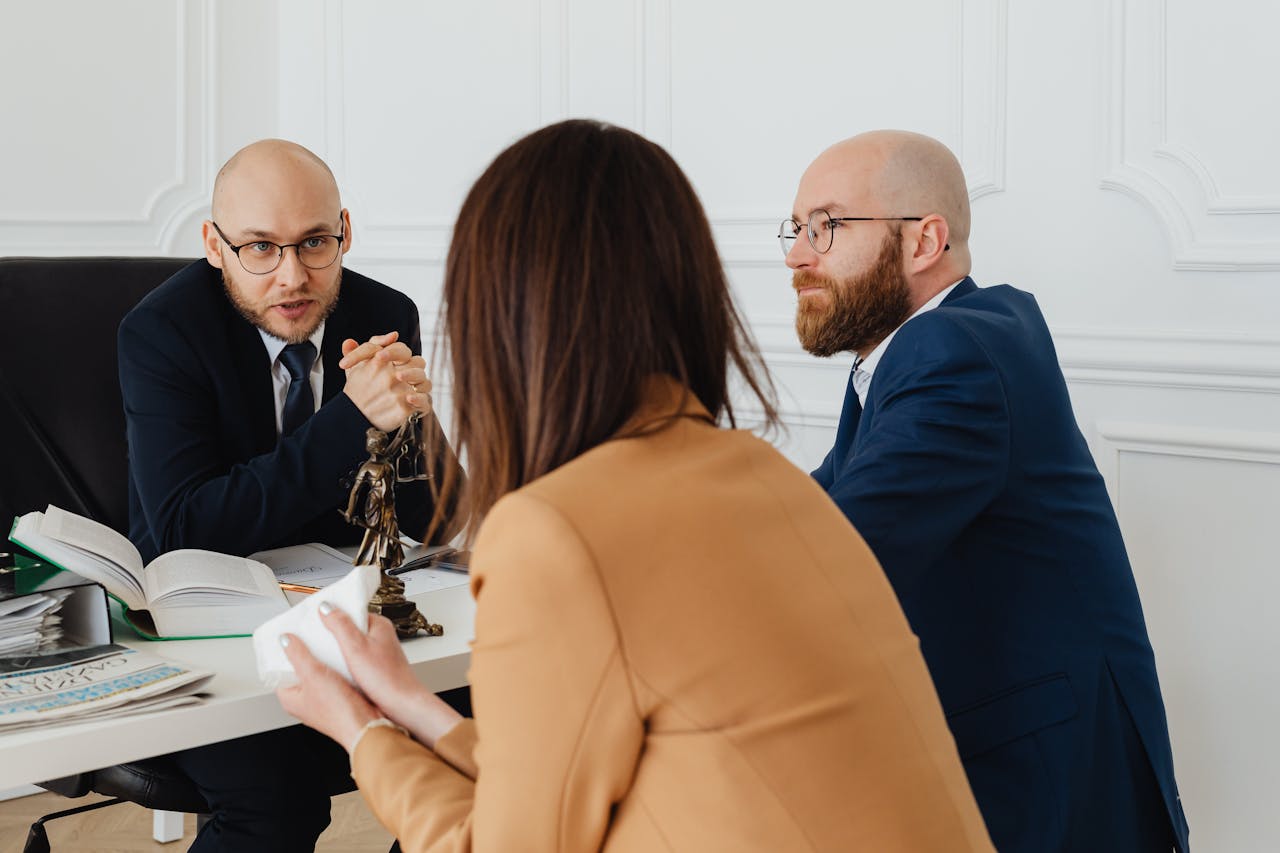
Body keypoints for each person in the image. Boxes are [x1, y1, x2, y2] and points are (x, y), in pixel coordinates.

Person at [276, 119, 994, 852]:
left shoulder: (555, 531)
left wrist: (361, 732)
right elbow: (563, 785)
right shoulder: (764, 475)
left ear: (502, 313)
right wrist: (407, 702)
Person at [783, 130, 1189, 852]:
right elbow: (817, 502)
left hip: (1048, 787)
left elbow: (835, 552)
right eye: (797, 229)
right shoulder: (922, 349)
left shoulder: (953, 351)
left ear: (923, 240)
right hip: (1012, 753)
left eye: (827, 226)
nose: (797, 254)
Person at [118, 138, 463, 852]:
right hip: (200, 624)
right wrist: (350, 419)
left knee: (487, 743)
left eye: (314, 242)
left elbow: (426, 512)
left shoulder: (381, 309)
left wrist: (422, 430)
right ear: (215, 245)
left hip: (339, 606)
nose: (293, 275)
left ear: (344, 230)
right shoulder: (160, 332)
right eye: (260, 249)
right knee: (275, 801)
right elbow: (186, 523)